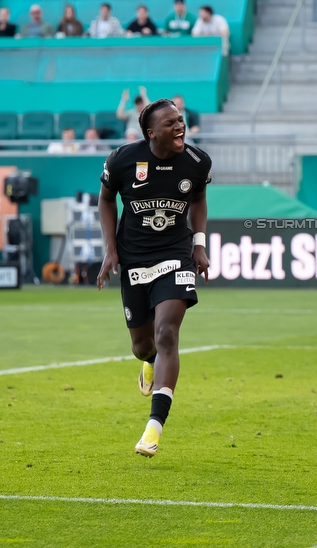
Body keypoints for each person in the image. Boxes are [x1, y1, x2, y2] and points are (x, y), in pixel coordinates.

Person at [97, 98, 213, 458]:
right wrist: (110, 249)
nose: (180, 127)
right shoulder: (122, 160)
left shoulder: (197, 161)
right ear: (151, 133)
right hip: (134, 258)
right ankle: (148, 362)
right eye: (171, 124)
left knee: (167, 332)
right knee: (143, 346)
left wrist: (199, 244)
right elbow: (105, 200)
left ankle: (153, 428)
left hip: (175, 256)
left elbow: (198, 199)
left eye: (181, 121)